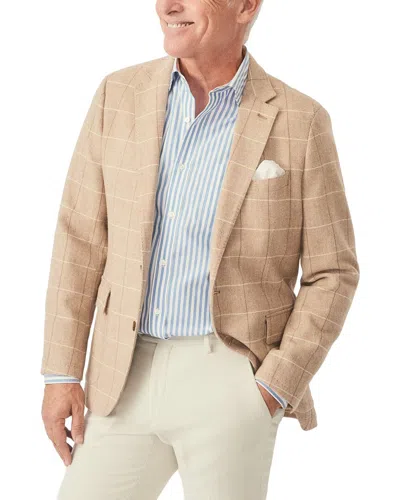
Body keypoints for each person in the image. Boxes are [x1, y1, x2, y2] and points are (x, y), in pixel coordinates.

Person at [40, 0, 360, 498]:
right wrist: (61, 372)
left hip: (230, 377)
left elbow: (333, 271)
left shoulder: (300, 120)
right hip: (120, 376)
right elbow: (80, 238)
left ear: (245, 6)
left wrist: (273, 386)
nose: (168, 6)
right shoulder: (118, 95)